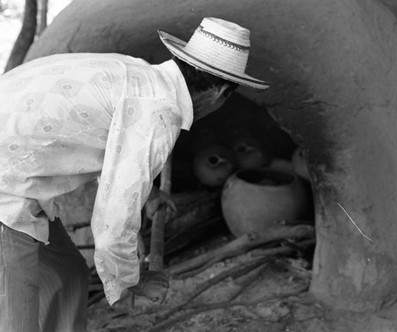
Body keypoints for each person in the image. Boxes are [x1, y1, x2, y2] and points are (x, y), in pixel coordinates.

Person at [0, 17, 270, 332]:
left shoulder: (140, 73)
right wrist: (126, 285)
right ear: (221, 92)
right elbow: (115, 216)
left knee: (66, 274)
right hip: (7, 189)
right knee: (14, 310)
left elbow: (112, 149)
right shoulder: (159, 111)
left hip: (15, 170)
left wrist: (150, 195)